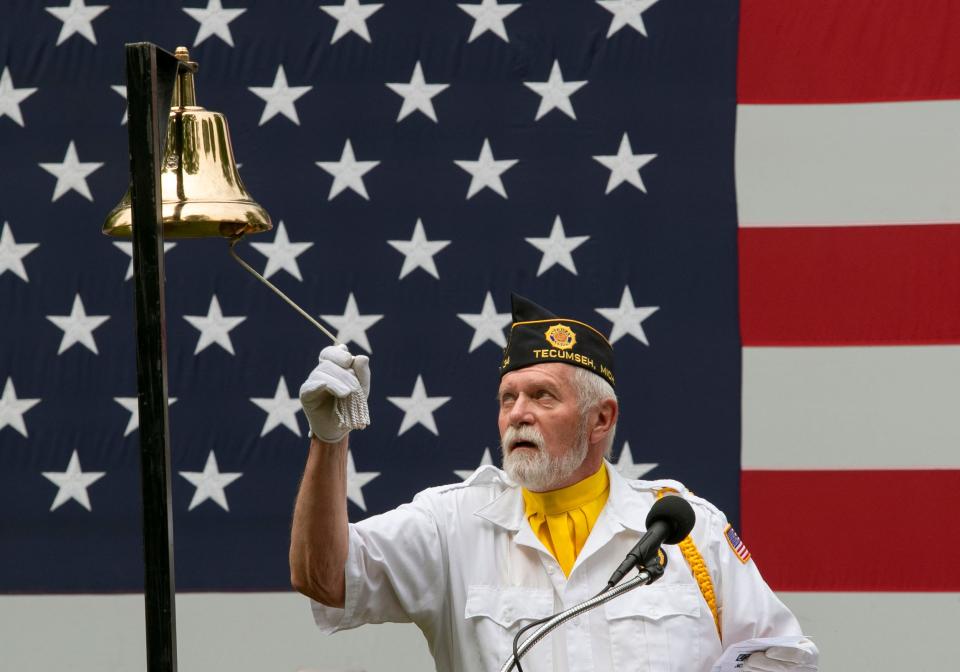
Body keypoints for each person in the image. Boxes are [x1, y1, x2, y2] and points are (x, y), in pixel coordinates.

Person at [289, 294, 818, 672]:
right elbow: (326, 578)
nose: (517, 414)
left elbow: (783, 656)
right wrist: (328, 441)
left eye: (542, 396)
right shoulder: (451, 524)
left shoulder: (686, 527)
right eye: (507, 398)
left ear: (601, 420)